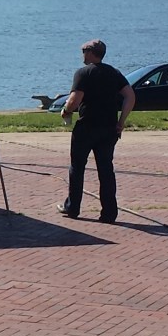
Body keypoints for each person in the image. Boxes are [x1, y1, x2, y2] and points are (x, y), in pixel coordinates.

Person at [58, 38, 136, 224]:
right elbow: (130, 96)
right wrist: (121, 121)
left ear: (91, 53)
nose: (82, 55)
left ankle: (73, 207)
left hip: (86, 127)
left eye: (84, 51)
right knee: (106, 169)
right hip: (109, 128)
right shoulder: (114, 73)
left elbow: (75, 99)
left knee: (77, 167)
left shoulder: (83, 73)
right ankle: (109, 213)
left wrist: (66, 111)